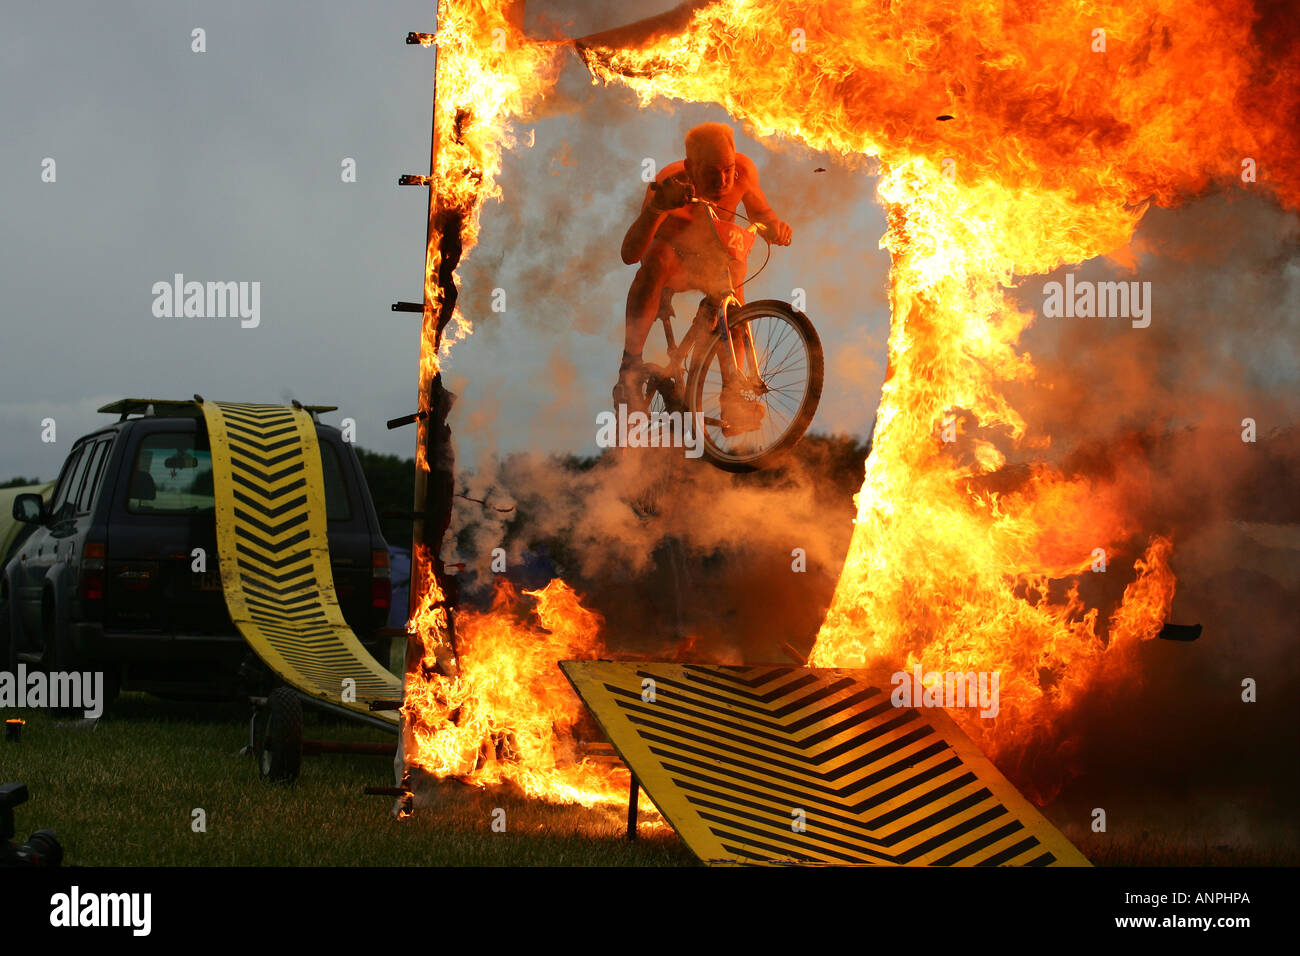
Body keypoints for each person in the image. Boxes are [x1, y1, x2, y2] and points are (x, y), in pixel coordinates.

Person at [614, 123, 793, 422]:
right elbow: (630, 254)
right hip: (675, 262)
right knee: (655, 260)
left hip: (714, 262)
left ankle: (732, 398)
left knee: (734, 290)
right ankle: (629, 370)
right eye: (711, 171)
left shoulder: (743, 172)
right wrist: (657, 208)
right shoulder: (669, 182)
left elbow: (760, 212)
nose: (723, 180)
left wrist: (775, 226)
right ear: (690, 167)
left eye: (728, 168)